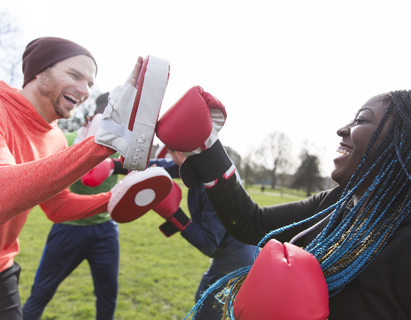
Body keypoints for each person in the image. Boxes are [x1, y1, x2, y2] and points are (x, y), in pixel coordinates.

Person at [157, 86, 411, 319]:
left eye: (361, 121)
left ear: (402, 144)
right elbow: (252, 224)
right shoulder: (343, 203)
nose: (343, 130)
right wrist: (206, 144)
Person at [0, 36, 169, 319]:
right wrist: (101, 144)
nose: (84, 90)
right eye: (74, 75)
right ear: (39, 71)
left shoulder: (56, 139)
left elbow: (57, 207)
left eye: (89, 83)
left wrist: (116, 197)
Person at [22, 93, 121, 320]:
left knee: (108, 295)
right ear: (98, 115)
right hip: (68, 227)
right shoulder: (68, 140)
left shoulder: (119, 148)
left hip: (105, 230)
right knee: (41, 292)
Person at [150, 149, 257, 320]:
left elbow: (209, 243)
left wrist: (173, 214)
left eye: (171, 153)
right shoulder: (200, 161)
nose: (171, 159)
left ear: (178, 152)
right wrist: (115, 166)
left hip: (236, 258)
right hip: (239, 252)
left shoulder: (212, 186)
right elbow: (167, 167)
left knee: (206, 311)